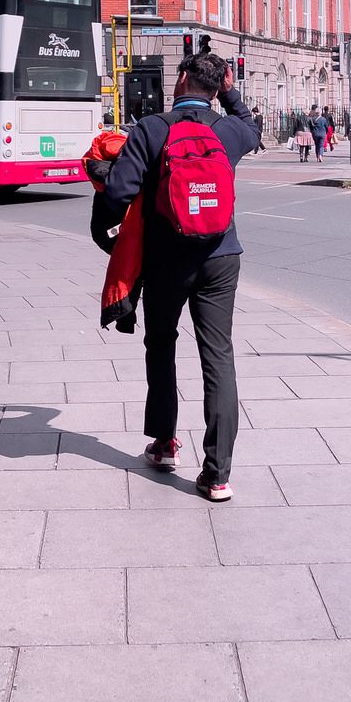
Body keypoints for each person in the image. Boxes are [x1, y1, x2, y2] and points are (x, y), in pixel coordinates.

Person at [101, 53, 260, 502]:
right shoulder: (228, 130)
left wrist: (110, 235)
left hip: (167, 258)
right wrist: (230, 91)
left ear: (183, 79)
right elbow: (251, 124)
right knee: (219, 356)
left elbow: (118, 193)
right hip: (221, 254)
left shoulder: (152, 129)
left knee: (162, 345)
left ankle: (166, 443)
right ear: (218, 86)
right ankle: (218, 474)